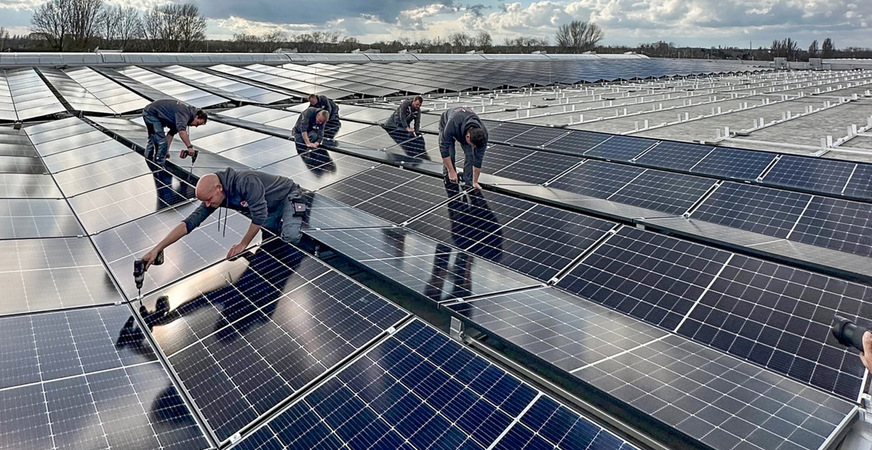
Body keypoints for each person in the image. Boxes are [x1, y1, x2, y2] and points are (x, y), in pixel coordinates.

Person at [140, 168, 304, 268]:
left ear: (219, 188)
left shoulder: (246, 182)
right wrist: (157, 248)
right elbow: (189, 223)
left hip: (287, 195)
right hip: (267, 206)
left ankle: (306, 253)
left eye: (209, 199)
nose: (207, 204)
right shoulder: (214, 196)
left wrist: (243, 245)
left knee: (289, 236)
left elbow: (259, 216)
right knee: (271, 238)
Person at [142, 99, 207, 165]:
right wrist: (189, 147)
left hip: (149, 112)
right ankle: (159, 164)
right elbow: (182, 132)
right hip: (152, 114)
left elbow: (170, 134)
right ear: (196, 116)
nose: (196, 126)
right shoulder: (184, 114)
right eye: (198, 123)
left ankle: (149, 160)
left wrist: (166, 150)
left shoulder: (182, 118)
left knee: (153, 139)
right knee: (161, 141)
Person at [439, 106, 488, 190]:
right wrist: (451, 170)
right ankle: (449, 177)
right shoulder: (452, 123)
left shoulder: (483, 135)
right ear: (468, 137)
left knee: (470, 155)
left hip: (463, 127)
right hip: (447, 121)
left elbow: (478, 160)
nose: (473, 146)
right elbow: (444, 148)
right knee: (451, 155)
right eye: (472, 144)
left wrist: (475, 181)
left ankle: (468, 182)